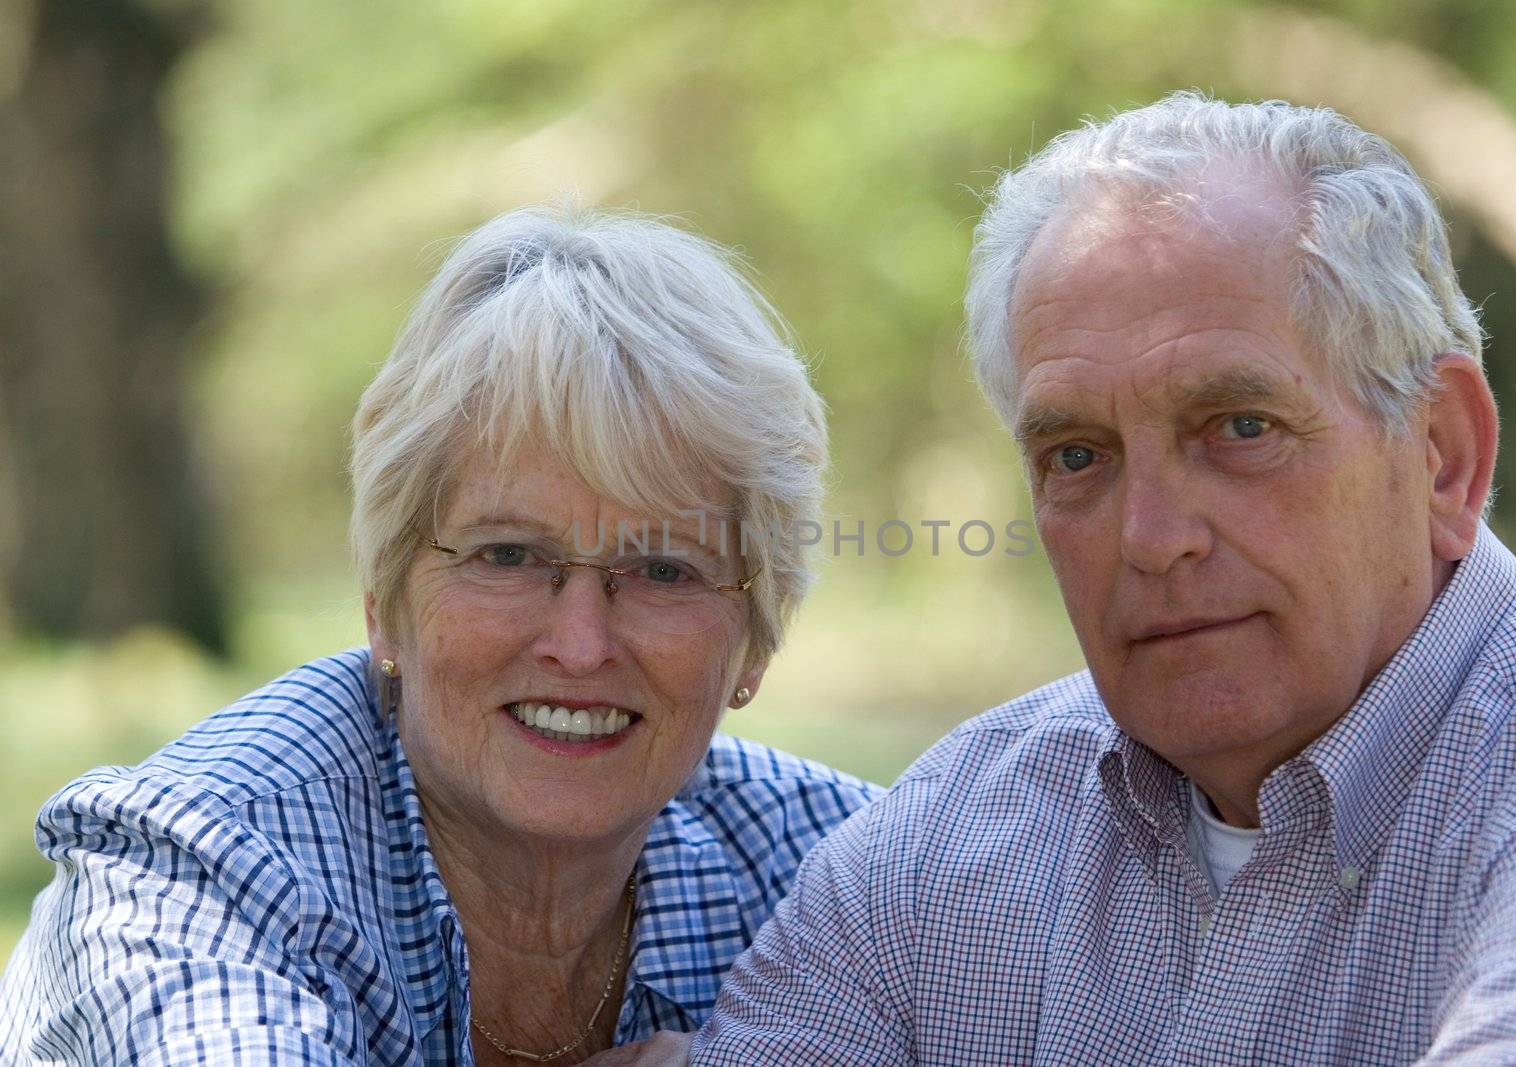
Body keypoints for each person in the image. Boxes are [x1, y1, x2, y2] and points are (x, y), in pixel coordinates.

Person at [691, 93, 1516, 1064]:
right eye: (1078, 455)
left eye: (1240, 428)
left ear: (1441, 454)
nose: (1152, 537)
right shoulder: (936, 852)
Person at [0, 207, 881, 1065]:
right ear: (386, 596)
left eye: (663, 571)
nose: (580, 644)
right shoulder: (201, 863)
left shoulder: (848, 871)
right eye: (508, 554)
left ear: (756, 637)